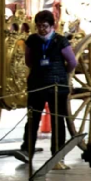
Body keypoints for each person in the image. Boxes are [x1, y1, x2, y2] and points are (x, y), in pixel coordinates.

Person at [23, 10, 77, 168]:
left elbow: (72, 62)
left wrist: (62, 73)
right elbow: (29, 60)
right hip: (36, 85)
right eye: (39, 26)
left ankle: (58, 157)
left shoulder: (60, 41)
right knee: (32, 120)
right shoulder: (32, 40)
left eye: (45, 26)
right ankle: (27, 151)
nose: (42, 29)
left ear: (52, 26)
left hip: (57, 86)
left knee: (58, 121)